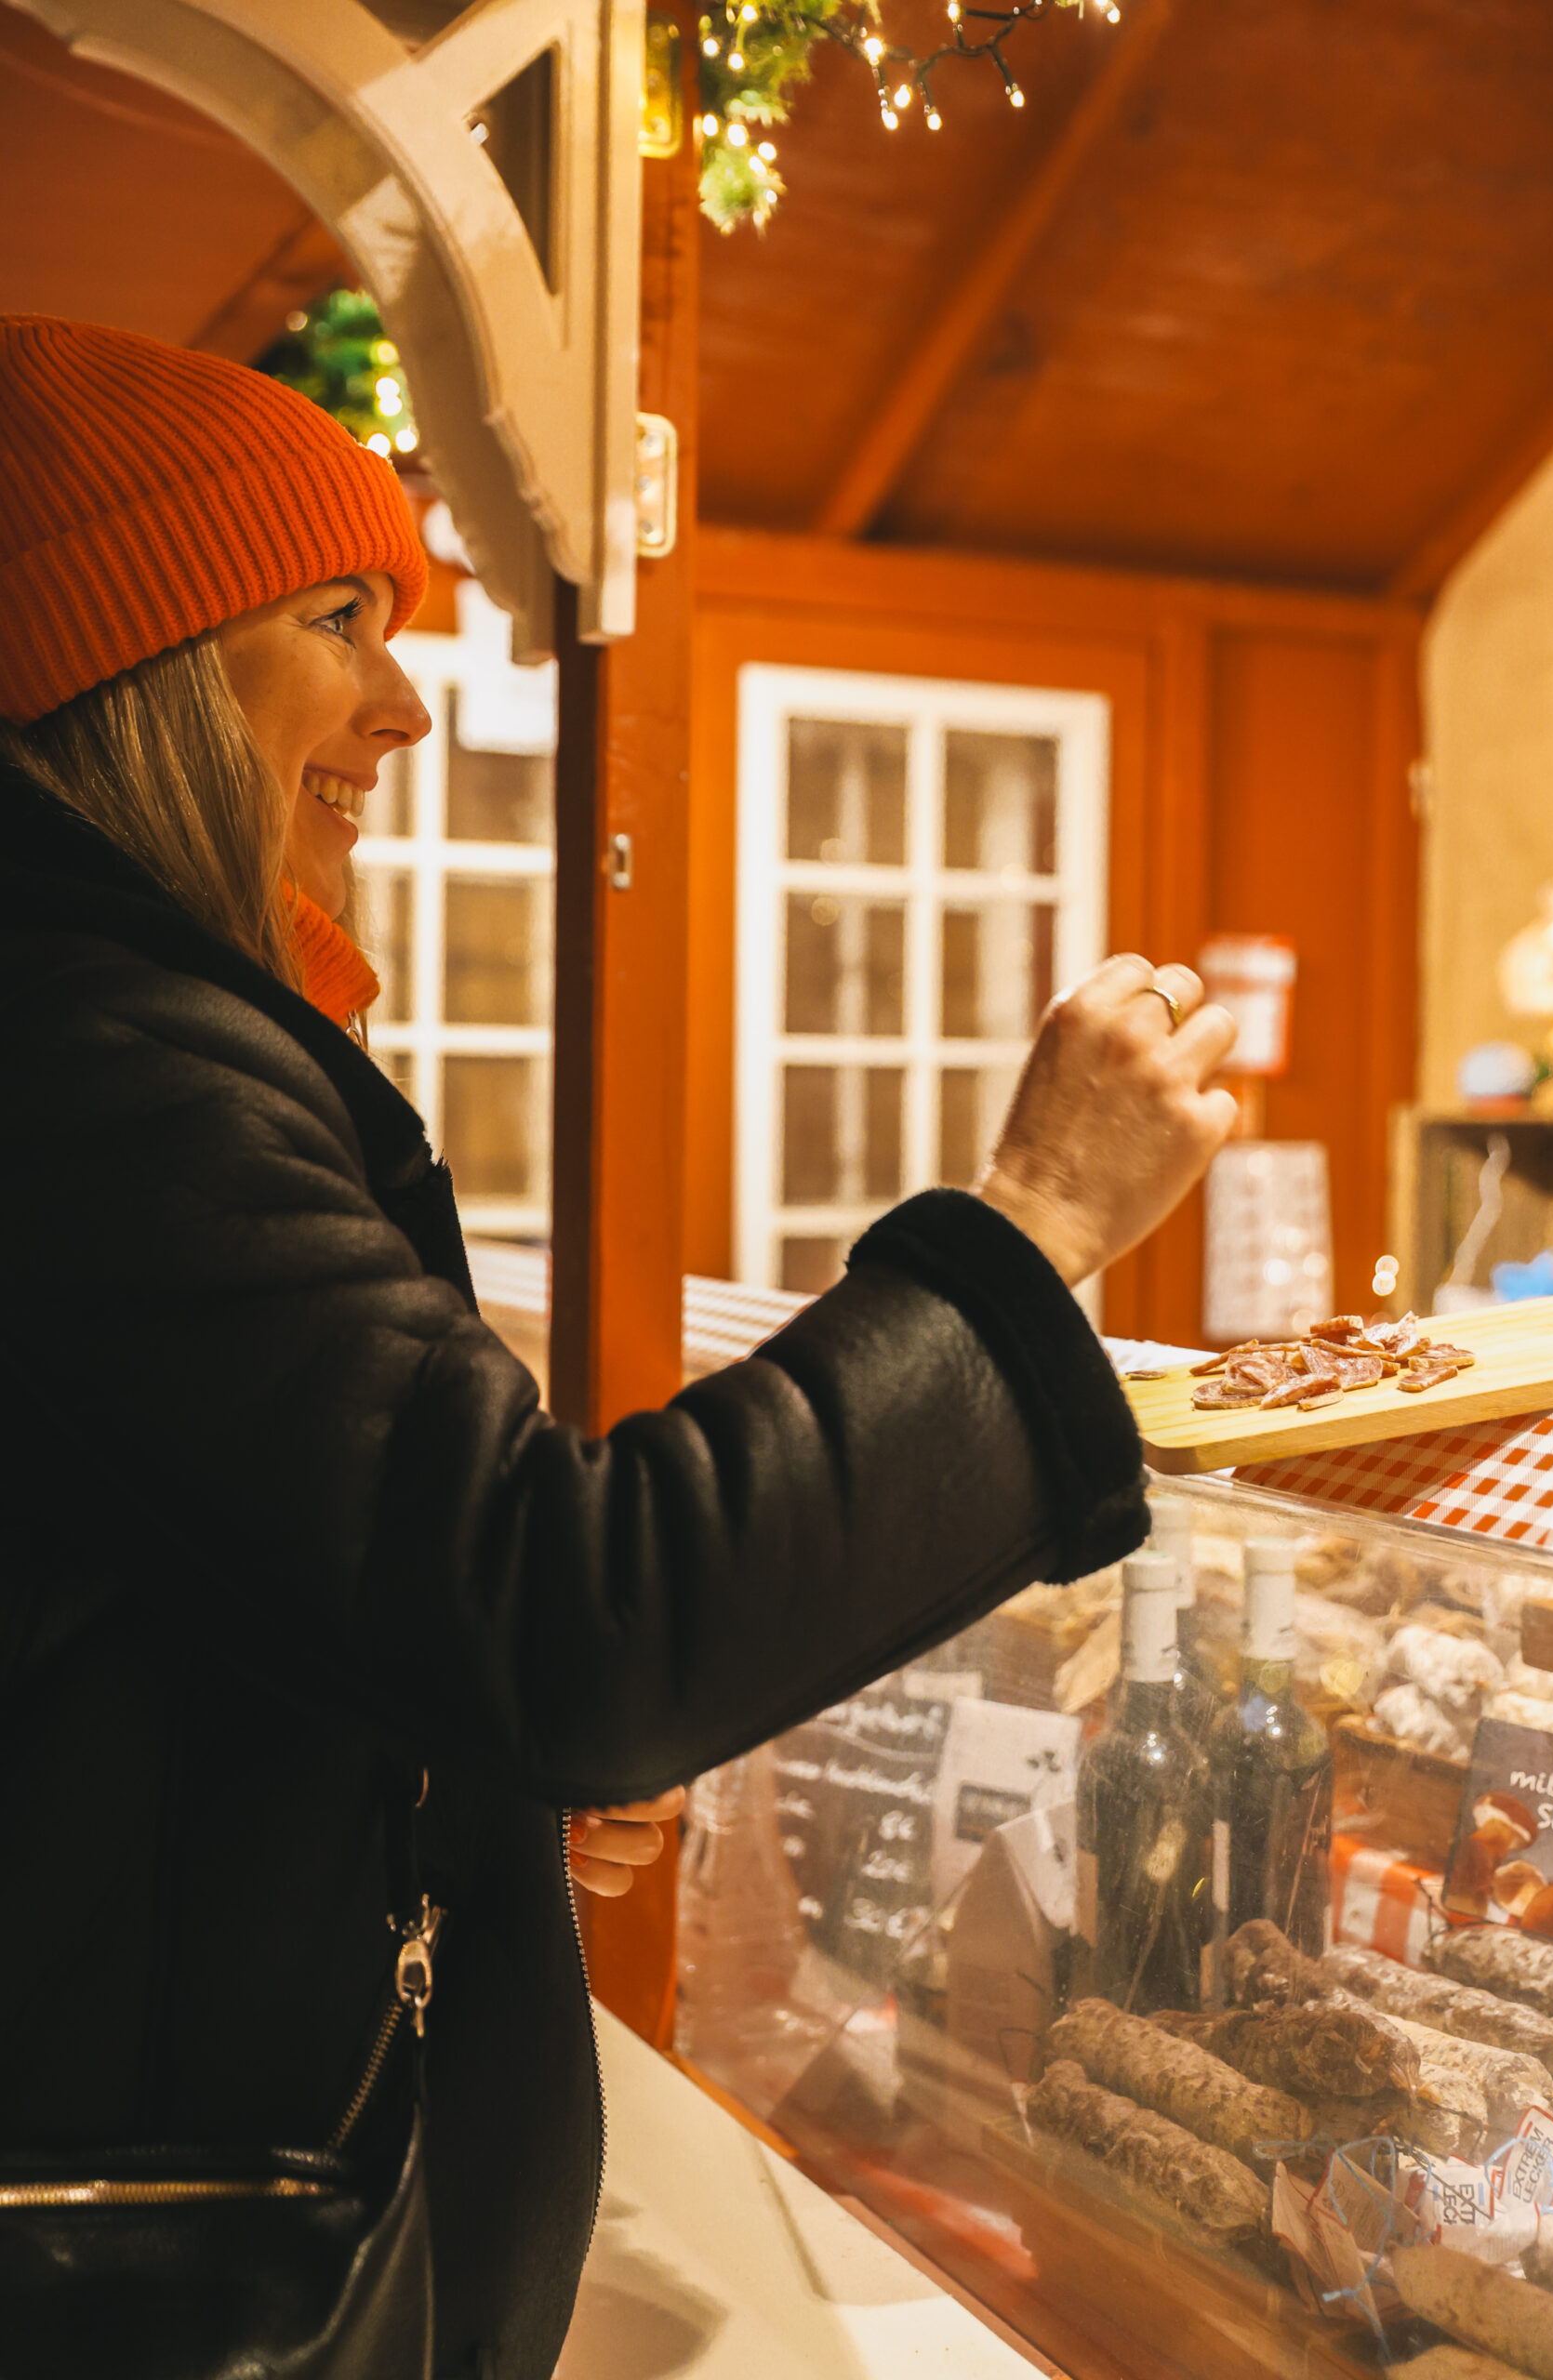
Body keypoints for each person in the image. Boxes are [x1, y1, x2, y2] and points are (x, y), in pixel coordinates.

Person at [0, 314, 1238, 2380]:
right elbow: (569, 1613)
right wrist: (1034, 1221)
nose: (406, 704)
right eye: (337, 616)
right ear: (134, 659)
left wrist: (442, 1765)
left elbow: (176, 1620)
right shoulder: (101, 1062)